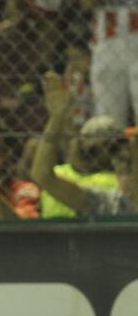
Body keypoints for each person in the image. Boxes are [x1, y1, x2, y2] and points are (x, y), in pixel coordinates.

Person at [32, 72, 134, 217]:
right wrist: (57, 116)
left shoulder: (107, 183)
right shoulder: (113, 204)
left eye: (130, 170)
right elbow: (42, 175)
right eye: (122, 172)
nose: (127, 180)